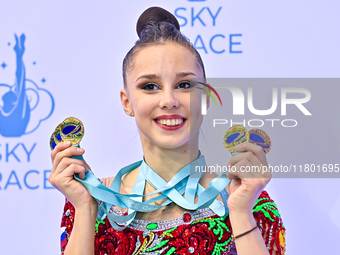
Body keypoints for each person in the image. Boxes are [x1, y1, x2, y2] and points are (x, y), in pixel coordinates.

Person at [49, 6, 286, 255]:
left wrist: (240, 213)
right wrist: (86, 208)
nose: (169, 100)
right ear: (127, 102)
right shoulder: (95, 202)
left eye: (184, 84)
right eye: (150, 86)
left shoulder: (248, 201)